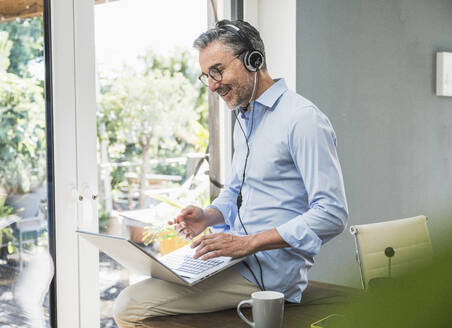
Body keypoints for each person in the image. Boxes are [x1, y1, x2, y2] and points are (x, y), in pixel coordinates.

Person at [113, 19, 348, 327]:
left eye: (218, 70)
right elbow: (237, 192)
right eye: (206, 76)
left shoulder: (302, 120)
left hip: (266, 274)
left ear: (254, 60)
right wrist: (207, 217)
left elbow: (332, 214)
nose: (212, 85)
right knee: (145, 284)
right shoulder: (245, 118)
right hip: (235, 260)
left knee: (129, 305)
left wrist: (248, 243)